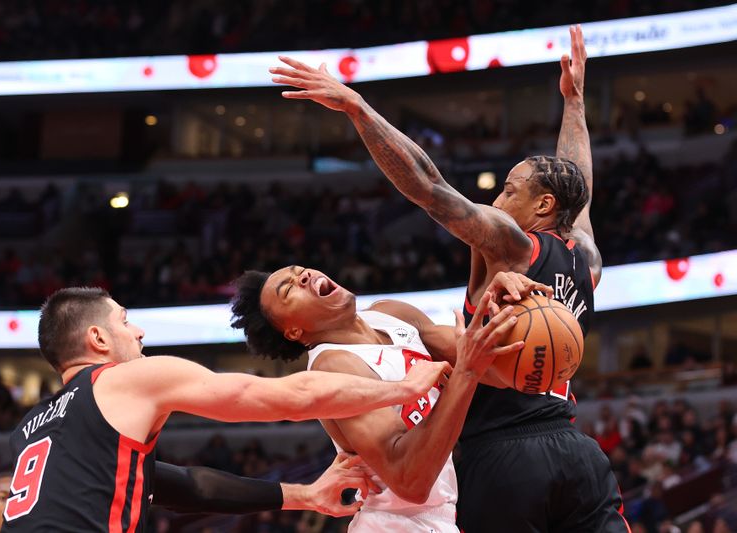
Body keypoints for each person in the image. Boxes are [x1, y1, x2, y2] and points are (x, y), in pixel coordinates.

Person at [270, 25, 629, 532]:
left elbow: (429, 187)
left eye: (508, 190)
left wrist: (358, 109)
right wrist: (575, 104)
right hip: (576, 447)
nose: (498, 201)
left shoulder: (510, 243)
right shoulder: (586, 256)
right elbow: (578, 186)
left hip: (502, 455)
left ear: (541, 206)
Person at [1, 287, 449, 532]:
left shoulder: (32, 428)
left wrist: (305, 496)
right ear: (98, 340)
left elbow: (188, 488)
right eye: (124, 320)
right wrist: (401, 388)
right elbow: (283, 398)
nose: (138, 333)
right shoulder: (123, 378)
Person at [231, 267, 549, 531]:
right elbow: (409, 482)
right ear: (294, 332)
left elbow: (496, 367)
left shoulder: (389, 314)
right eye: (289, 290)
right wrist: (464, 374)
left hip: (438, 516)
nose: (303, 276)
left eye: (301, 270)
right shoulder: (334, 366)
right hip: (394, 523)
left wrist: (504, 304)